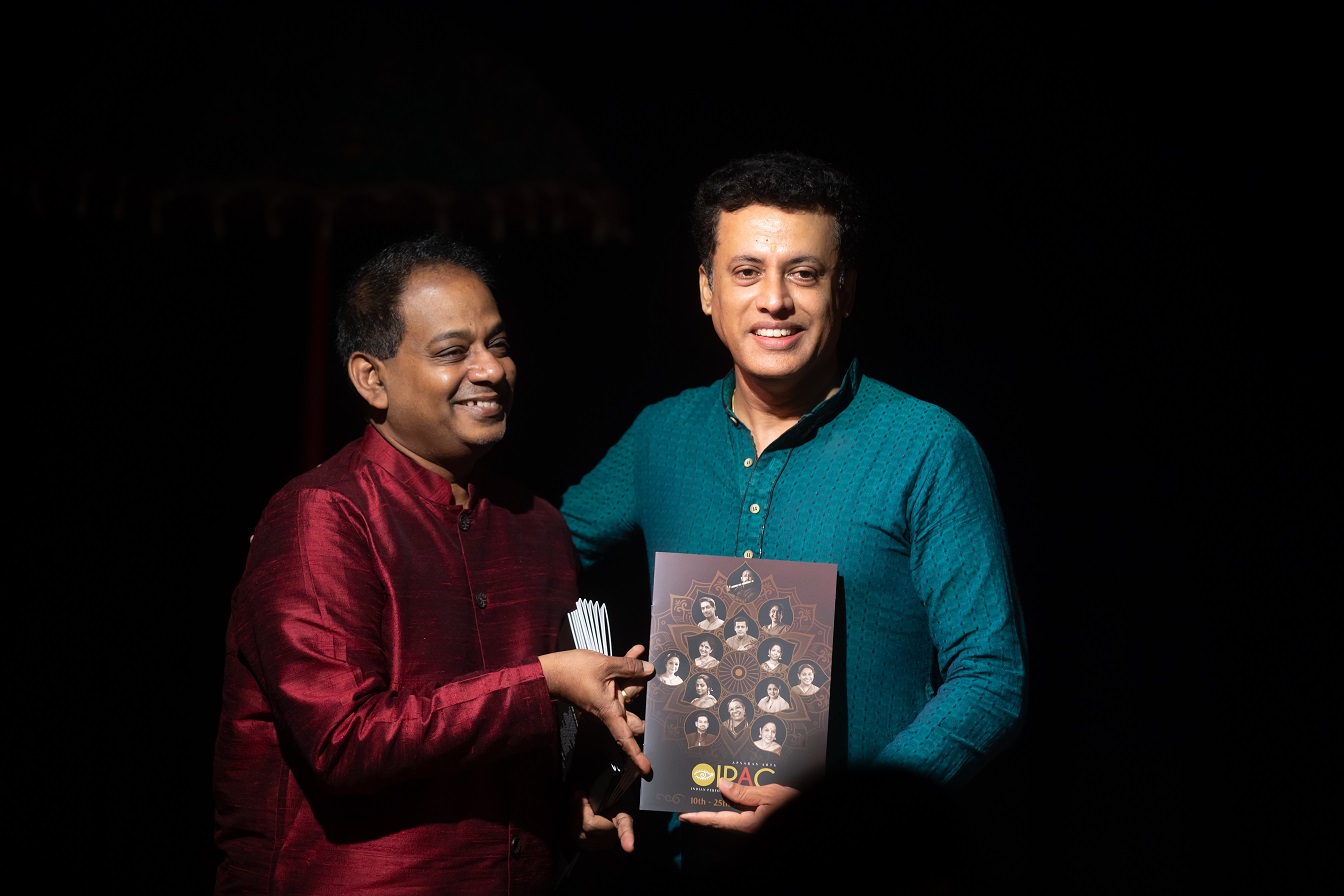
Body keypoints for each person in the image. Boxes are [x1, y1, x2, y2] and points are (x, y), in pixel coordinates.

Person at [559, 151, 1027, 863]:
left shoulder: (927, 447)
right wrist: (574, 718)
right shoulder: (661, 435)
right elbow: (527, 564)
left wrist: (844, 816)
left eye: (803, 273)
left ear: (845, 290)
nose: (774, 300)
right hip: (687, 863)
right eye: (746, 271)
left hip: (857, 864)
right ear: (707, 290)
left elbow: (992, 676)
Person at [213, 234, 656, 896]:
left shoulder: (536, 526)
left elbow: (524, 752)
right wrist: (545, 683)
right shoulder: (323, 516)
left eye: (498, 344)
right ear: (371, 378)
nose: (491, 370)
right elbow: (342, 741)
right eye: (453, 352)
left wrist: (574, 801)